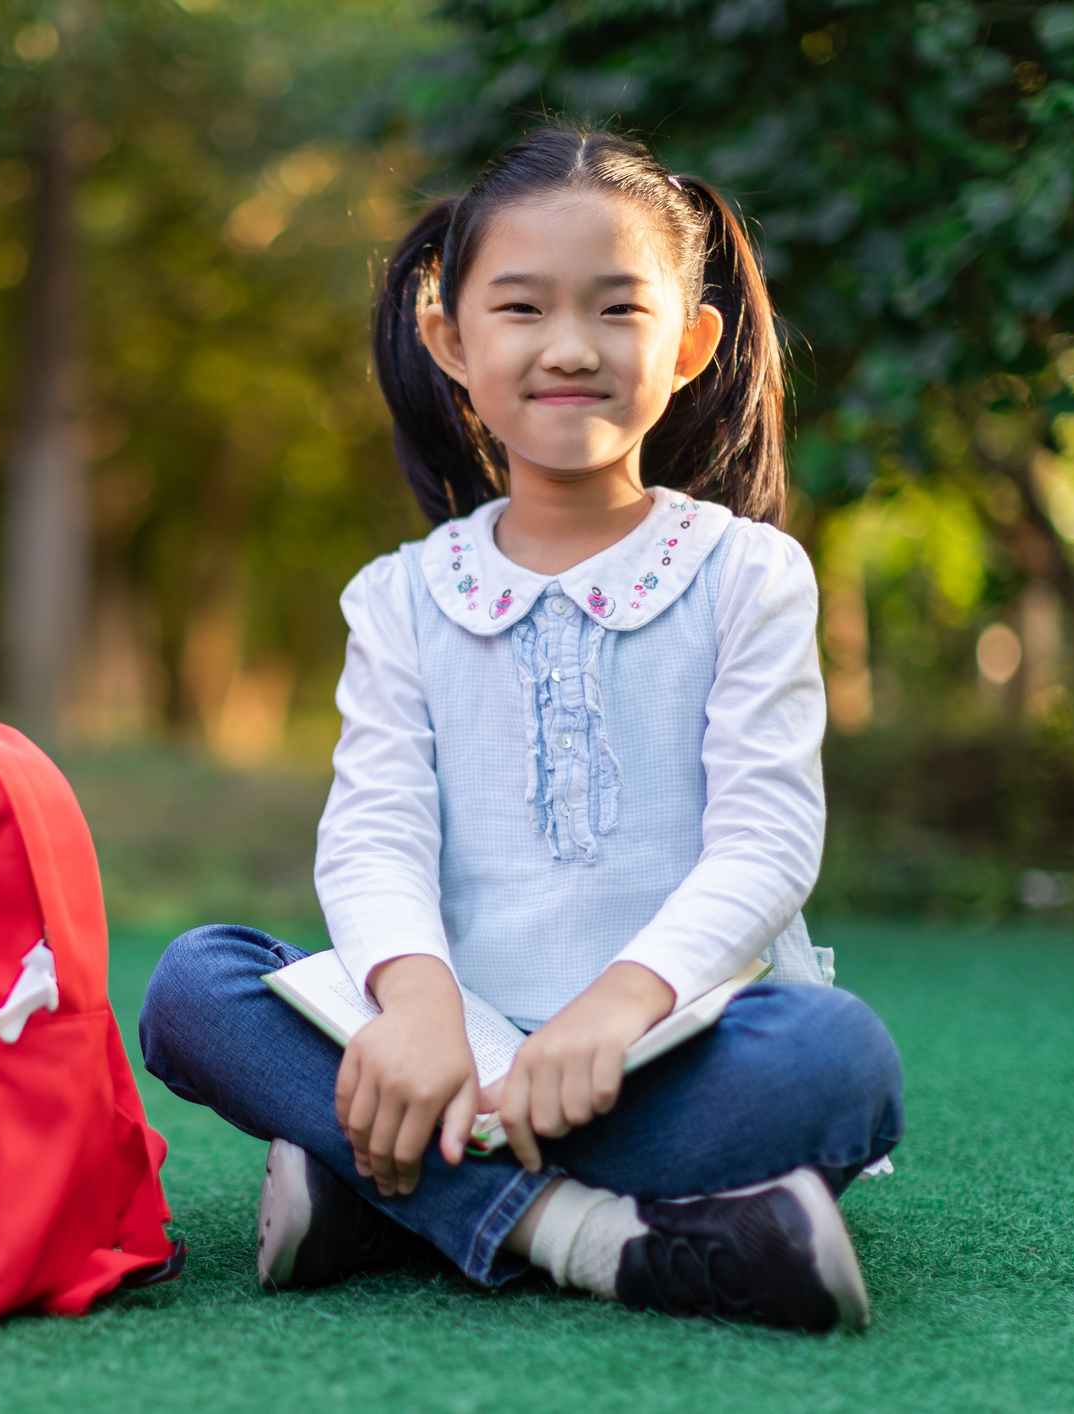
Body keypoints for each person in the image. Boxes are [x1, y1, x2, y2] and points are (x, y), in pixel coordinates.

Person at [138, 124, 904, 1333]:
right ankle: (599, 1238)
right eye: (521, 308)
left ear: (692, 343)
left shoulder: (749, 574)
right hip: (445, 1042)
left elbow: (764, 844)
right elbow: (374, 835)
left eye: (617, 309)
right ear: (450, 339)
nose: (569, 349)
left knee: (837, 1061)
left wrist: (612, 1013)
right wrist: (423, 1009)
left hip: (661, 1049)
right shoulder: (399, 595)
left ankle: (382, 1194)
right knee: (194, 984)